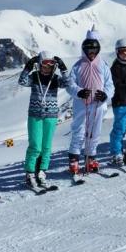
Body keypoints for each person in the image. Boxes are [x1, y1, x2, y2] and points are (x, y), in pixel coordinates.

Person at [18, 51, 69, 189]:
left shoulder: (55, 79)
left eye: (50, 65)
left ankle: (42, 172)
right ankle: (29, 174)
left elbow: (68, 83)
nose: (47, 68)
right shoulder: (34, 77)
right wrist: (28, 67)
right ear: (39, 65)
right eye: (44, 64)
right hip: (35, 116)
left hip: (51, 116)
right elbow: (22, 81)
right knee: (35, 146)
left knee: (46, 146)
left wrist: (64, 69)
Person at [67, 28, 114, 174]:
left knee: (94, 131)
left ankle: (90, 158)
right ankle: (74, 159)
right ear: (84, 50)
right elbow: (70, 84)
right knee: (79, 130)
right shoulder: (78, 65)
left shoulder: (103, 65)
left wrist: (105, 94)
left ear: (98, 49)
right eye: (89, 49)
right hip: (82, 102)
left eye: (94, 49)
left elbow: (110, 84)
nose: (91, 52)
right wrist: (78, 91)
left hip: (98, 103)